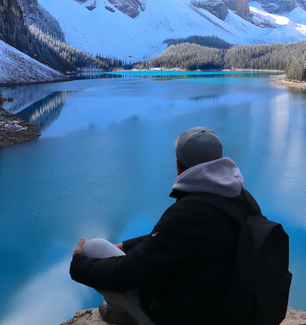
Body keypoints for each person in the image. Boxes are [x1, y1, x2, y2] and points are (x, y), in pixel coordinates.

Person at [69, 126, 259, 325]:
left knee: (92, 248)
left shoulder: (188, 213)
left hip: (191, 316)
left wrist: (78, 263)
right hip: (231, 306)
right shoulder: (242, 198)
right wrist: (125, 246)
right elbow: (176, 239)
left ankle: (122, 313)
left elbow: (125, 274)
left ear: (178, 166)